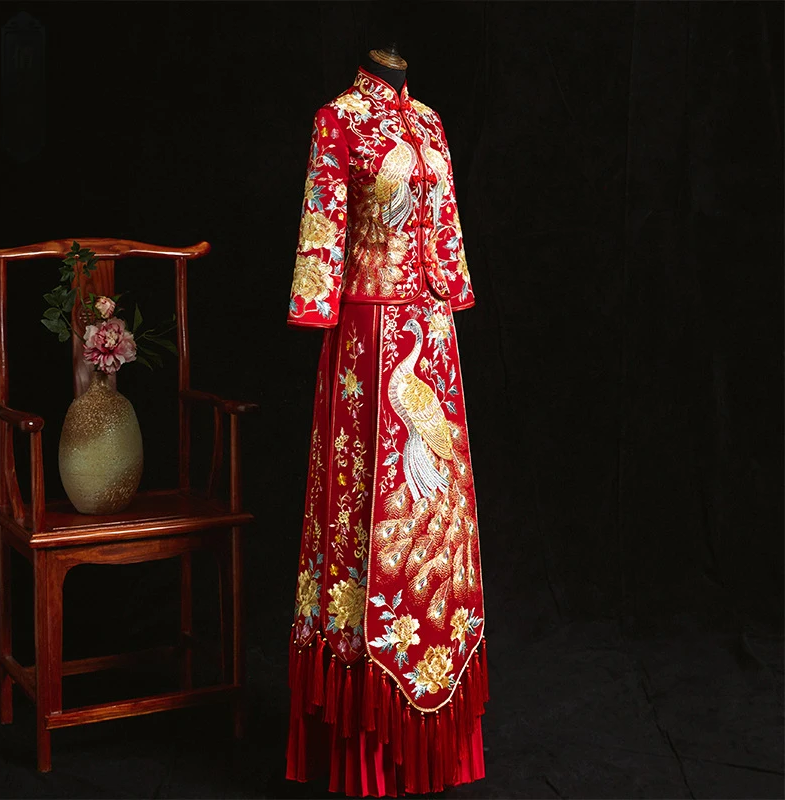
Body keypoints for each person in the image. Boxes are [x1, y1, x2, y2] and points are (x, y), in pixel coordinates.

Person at [285, 45, 489, 797]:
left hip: (433, 338)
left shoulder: (430, 121)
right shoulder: (337, 120)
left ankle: (437, 718)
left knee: (438, 518)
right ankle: (363, 737)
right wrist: (320, 303)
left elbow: (446, 234)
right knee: (367, 507)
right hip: (368, 341)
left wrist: (446, 295)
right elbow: (324, 230)